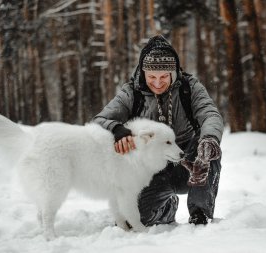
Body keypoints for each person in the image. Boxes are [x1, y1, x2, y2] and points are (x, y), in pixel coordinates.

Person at [93, 35, 224, 226]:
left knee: (207, 147)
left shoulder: (189, 87)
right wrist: (117, 130)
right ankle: (167, 208)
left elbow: (210, 114)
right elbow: (99, 121)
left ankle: (200, 214)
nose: (157, 82)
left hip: (188, 162)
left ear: (173, 73)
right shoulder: (131, 92)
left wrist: (210, 138)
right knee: (134, 220)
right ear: (143, 73)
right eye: (152, 77)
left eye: (164, 76)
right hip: (151, 171)